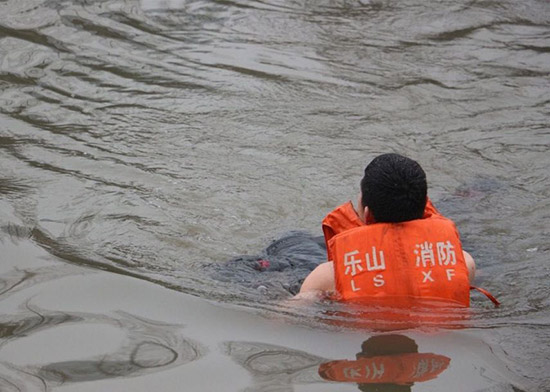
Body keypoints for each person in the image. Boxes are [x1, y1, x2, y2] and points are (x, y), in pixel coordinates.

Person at [297, 153, 480, 307]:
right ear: (425, 207)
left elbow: (287, 316)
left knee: (294, 240)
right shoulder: (464, 262)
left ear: (367, 214)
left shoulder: (329, 276)